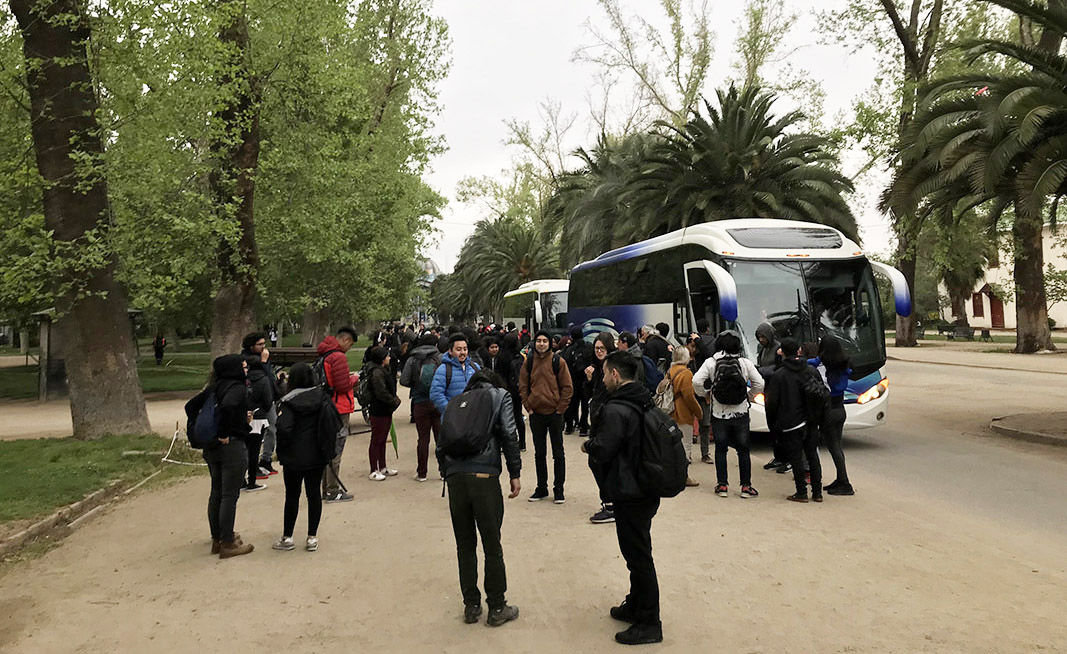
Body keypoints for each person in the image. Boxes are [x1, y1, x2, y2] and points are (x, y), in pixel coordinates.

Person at [581, 351, 663, 645]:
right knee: (636, 552)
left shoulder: (618, 408)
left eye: (605, 373)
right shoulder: (642, 399)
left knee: (638, 556)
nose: (603, 378)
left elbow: (604, 448)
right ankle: (636, 604)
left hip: (631, 490)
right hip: (644, 487)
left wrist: (589, 445)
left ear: (615, 374)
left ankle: (649, 621)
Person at [438, 369, 523, 627]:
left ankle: (471, 605)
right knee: (491, 544)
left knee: (464, 544)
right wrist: (514, 472)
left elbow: (441, 442)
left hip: (456, 477)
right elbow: (509, 434)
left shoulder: (455, 403)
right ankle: (497, 606)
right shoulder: (499, 396)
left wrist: (447, 473)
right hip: (484, 475)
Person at [272, 363, 340, 553]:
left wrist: (283, 450)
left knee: (292, 495)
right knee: (313, 494)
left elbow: (284, 428)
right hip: (317, 453)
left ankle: (288, 536)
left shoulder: (288, 402)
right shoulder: (322, 397)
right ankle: (312, 537)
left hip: (294, 455)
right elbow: (332, 424)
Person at [693, 331, 765, 499]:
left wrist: (705, 394)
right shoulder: (744, 363)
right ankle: (746, 487)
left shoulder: (711, 362)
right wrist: (749, 395)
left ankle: (722, 485)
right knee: (743, 450)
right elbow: (760, 383)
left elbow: (696, 381)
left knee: (720, 449)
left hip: (719, 413)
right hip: (740, 412)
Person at [202, 354, 255, 559]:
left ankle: (218, 538)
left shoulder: (213, 387)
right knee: (229, 495)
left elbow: (191, 407)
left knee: (216, 491)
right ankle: (227, 543)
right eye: (243, 367)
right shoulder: (237, 388)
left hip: (212, 446)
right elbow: (228, 407)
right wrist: (224, 432)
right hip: (231, 444)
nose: (246, 370)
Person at [518, 330, 573, 504]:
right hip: (536, 414)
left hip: (555, 414)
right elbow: (523, 386)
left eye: (545, 341)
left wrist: (560, 409)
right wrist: (528, 406)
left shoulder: (558, 361)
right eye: (539, 341)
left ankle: (559, 489)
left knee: (558, 453)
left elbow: (567, 387)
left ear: (550, 343)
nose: (541, 344)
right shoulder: (529, 362)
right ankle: (541, 488)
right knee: (539, 453)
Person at [765, 338, 823, 503]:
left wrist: (774, 425)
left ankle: (801, 492)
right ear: (798, 350)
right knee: (812, 456)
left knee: (796, 457)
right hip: (811, 421)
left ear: (782, 352)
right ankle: (817, 492)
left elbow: (772, 403)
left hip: (790, 422)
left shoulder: (778, 375)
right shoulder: (810, 370)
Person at [317, 326, 358, 503]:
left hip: (327, 405)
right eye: (350, 345)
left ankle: (326, 488)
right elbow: (342, 386)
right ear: (345, 340)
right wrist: (354, 379)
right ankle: (332, 490)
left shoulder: (325, 353)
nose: (349, 349)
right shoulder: (338, 357)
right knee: (336, 450)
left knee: (328, 449)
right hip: (339, 407)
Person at [810, 336, 854, 496]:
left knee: (833, 446)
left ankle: (845, 483)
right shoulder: (844, 364)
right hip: (841, 409)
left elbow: (809, 364)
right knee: (837, 446)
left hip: (829, 410)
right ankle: (840, 478)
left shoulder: (821, 364)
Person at [401, 332, 443, 482]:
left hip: (420, 401)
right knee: (440, 437)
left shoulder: (413, 359)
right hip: (437, 400)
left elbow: (404, 380)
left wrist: (415, 385)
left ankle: (422, 472)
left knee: (423, 438)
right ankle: (443, 470)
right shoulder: (440, 358)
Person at [584, 332, 617, 524]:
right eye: (596, 348)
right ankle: (609, 502)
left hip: (607, 420)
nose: (598, 352)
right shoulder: (594, 367)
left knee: (599, 461)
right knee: (596, 461)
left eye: (602, 348)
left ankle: (611, 504)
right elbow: (587, 394)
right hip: (596, 418)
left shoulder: (612, 368)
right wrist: (589, 379)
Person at [241, 332, 278, 491]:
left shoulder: (264, 357)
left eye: (264, 343)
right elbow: (260, 376)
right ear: (251, 346)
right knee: (253, 438)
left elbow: (269, 376)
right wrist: (263, 362)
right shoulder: (248, 360)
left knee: (273, 428)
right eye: (260, 344)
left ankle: (266, 460)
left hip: (267, 399)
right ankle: (251, 469)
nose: (264, 347)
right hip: (256, 402)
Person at [755, 322, 790, 474]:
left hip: (778, 391)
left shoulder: (778, 349)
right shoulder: (762, 349)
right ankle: (778, 457)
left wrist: (761, 371)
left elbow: (779, 369)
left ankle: (787, 458)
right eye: (759, 337)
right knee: (772, 426)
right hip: (768, 390)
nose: (761, 340)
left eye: (763, 336)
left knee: (781, 427)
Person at [665, 347, 702, 488]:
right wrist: (699, 412)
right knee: (685, 446)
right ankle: (683, 476)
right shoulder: (686, 373)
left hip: (670, 412)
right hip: (682, 414)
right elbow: (689, 397)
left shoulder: (670, 371)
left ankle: (671, 475)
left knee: (671, 447)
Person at [364, 346, 402, 481]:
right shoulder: (376, 373)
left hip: (385, 409)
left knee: (382, 439)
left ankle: (382, 466)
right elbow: (381, 393)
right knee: (376, 439)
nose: (389, 358)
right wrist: (394, 401)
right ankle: (374, 469)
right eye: (387, 356)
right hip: (378, 409)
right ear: (381, 359)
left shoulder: (382, 370)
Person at [431, 333, 482, 417]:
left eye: (465, 349)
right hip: (453, 420)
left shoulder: (475, 367)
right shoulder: (443, 370)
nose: (462, 352)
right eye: (458, 349)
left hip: (474, 418)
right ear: (450, 351)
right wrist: (450, 410)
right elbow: (436, 394)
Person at [691, 319, 715, 465]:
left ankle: (700, 453)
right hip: (698, 390)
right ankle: (701, 453)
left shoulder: (702, 349)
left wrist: (698, 341)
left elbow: (707, 353)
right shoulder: (712, 341)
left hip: (698, 390)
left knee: (702, 423)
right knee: (701, 423)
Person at [561, 326, 591, 436]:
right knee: (584, 405)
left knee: (571, 404)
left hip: (572, 380)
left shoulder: (568, 350)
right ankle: (583, 426)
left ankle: (569, 426)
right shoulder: (588, 347)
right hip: (585, 380)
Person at [500, 332, 527, 452]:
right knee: (518, 415)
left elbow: (499, 375)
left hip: (505, 390)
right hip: (517, 389)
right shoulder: (520, 356)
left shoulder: (502, 356)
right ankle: (522, 442)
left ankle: (507, 442)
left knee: (505, 417)